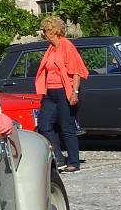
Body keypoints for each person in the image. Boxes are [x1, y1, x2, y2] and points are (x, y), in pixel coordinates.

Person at [34, 16, 88, 173]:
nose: (43, 34)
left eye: (45, 30)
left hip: (65, 90)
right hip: (50, 91)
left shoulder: (67, 46)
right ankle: (58, 158)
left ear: (53, 31)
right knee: (44, 125)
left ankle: (74, 162)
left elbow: (77, 71)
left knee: (67, 126)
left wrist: (75, 92)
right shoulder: (51, 48)